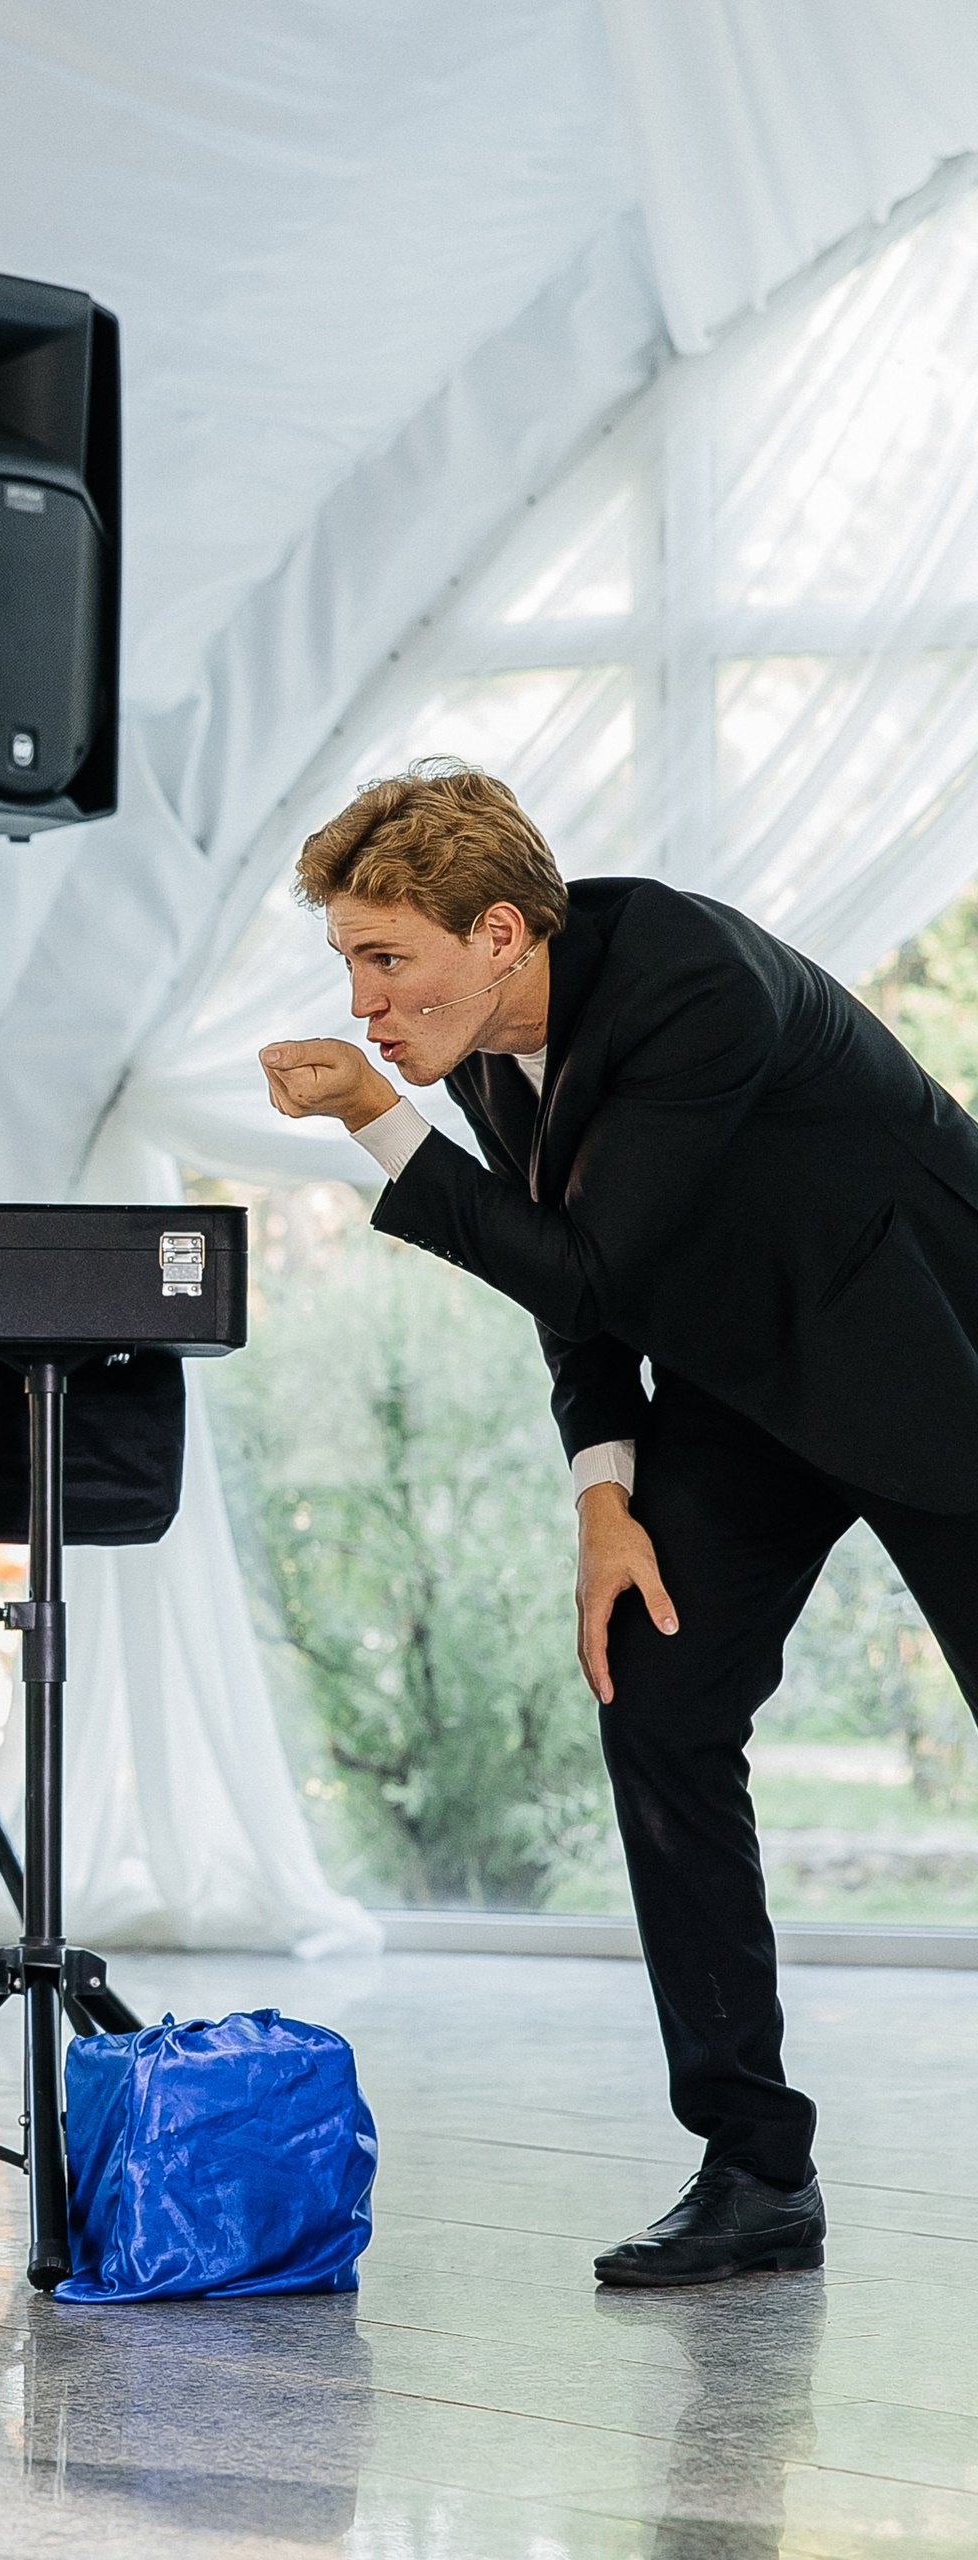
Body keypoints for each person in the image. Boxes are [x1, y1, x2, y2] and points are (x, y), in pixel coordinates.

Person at [256, 759, 978, 2290]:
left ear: (502, 932)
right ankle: (755, 2168)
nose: (368, 1001)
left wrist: (380, 1123)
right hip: (748, 1386)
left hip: (934, 1358)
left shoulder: (692, 979)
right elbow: (566, 1287)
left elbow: (581, 1263)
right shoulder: (483, 1046)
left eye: (389, 959)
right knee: (656, 1697)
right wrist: (607, 1497)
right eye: (351, 967)